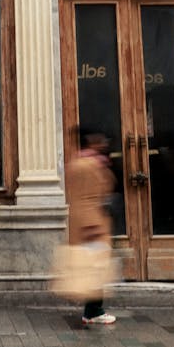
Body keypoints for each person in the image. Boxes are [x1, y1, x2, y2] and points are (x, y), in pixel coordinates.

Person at [66, 127, 117, 325]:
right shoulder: (87, 165)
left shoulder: (82, 163)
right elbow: (85, 199)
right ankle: (94, 311)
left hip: (89, 223)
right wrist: (91, 225)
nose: (103, 143)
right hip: (92, 224)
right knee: (95, 269)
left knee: (94, 268)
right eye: (99, 140)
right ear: (91, 143)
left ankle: (92, 310)